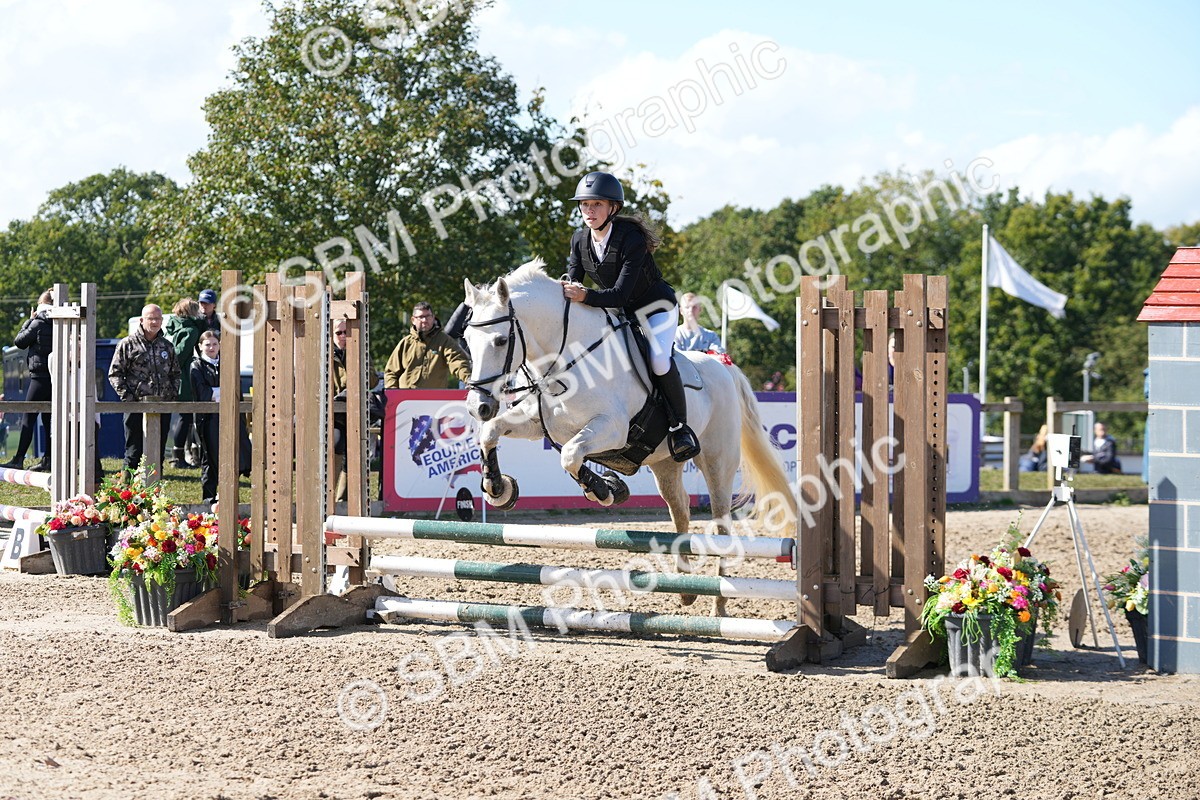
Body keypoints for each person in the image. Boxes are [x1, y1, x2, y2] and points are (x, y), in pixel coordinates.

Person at [561, 171, 699, 462]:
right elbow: (571, 283)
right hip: (620, 312)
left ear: (613, 208)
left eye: (597, 204)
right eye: (584, 205)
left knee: (659, 360)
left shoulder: (630, 238)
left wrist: (584, 295)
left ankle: (679, 428)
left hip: (655, 309)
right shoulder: (579, 240)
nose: (589, 211)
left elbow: (620, 293)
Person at [108, 304, 180, 472]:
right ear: (142, 320)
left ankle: (154, 494)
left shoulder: (167, 347)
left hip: (161, 407)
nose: (154, 322)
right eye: (150, 318)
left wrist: (171, 395)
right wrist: (129, 398)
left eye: (157, 319)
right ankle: (126, 493)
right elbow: (115, 374)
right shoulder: (128, 344)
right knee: (134, 453)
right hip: (136, 406)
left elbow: (176, 374)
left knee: (157, 454)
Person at [2, 290, 54, 471]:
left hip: (39, 376)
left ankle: (18, 459)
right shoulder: (58, 323)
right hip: (54, 377)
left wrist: (29, 320)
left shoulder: (38, 323)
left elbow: (19, 341)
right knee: (48, 419)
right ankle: (48, 460)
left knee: (28, 418)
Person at [383, 302, 471, 389]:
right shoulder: (405, 343)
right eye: (421, 317)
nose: (425, 320)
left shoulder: (445, 341)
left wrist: (468, 378)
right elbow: (391, 372)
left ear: (433, 318)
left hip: (433, 399)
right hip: (406, 400)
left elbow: (458, 362)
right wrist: (393, 393)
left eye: (428, 316)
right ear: (413, 320)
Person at [165, 298, 205, 468]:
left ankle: (179, 455)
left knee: (183, 417)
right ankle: (178, 457)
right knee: (186, 417)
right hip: (185, 379)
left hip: (172, 378)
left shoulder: (172, 326)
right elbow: (180, 355)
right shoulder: (190, 330)